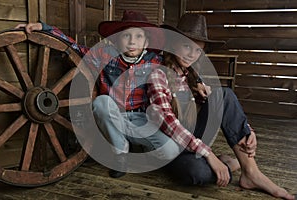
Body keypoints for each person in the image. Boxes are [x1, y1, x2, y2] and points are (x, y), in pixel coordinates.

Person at [15, 10, 180, 178]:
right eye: (126, 36)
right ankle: (120, 154)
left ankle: (143, 147)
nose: (132, 42)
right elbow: (74, 47)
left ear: (146, 42)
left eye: (138, 37)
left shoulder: (155, 61)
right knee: (101, 103)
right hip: (113, 116)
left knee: (171, 152)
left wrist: (197, 84)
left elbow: (179, 70)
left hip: (141, 119)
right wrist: (44, 28)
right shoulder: (105, 55)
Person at [146, 13, 295, 200]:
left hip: (192, 140)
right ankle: (228, 165)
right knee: (196, 173)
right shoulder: (158, 74)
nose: (192, 54)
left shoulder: (191, 76)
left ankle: (251, 172)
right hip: (170, 147)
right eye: (187, 46)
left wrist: (246, 130)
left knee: (223, 94)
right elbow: (168, 124)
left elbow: (221, 107)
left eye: (198, 50)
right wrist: (208, 154)